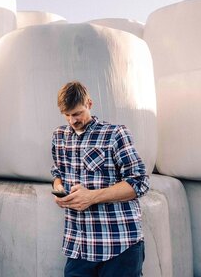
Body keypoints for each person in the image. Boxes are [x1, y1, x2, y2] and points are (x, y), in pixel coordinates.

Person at [51, 81, 149, 277]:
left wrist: (92, 197)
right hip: (79, 247)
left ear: (89, 104)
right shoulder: (59, 136)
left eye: (77, 113)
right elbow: (57, 173)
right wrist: (59, 189)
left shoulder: (115, 133)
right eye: (67, 114)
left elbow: (140, 182)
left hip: (119, 246)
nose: (72, 120)